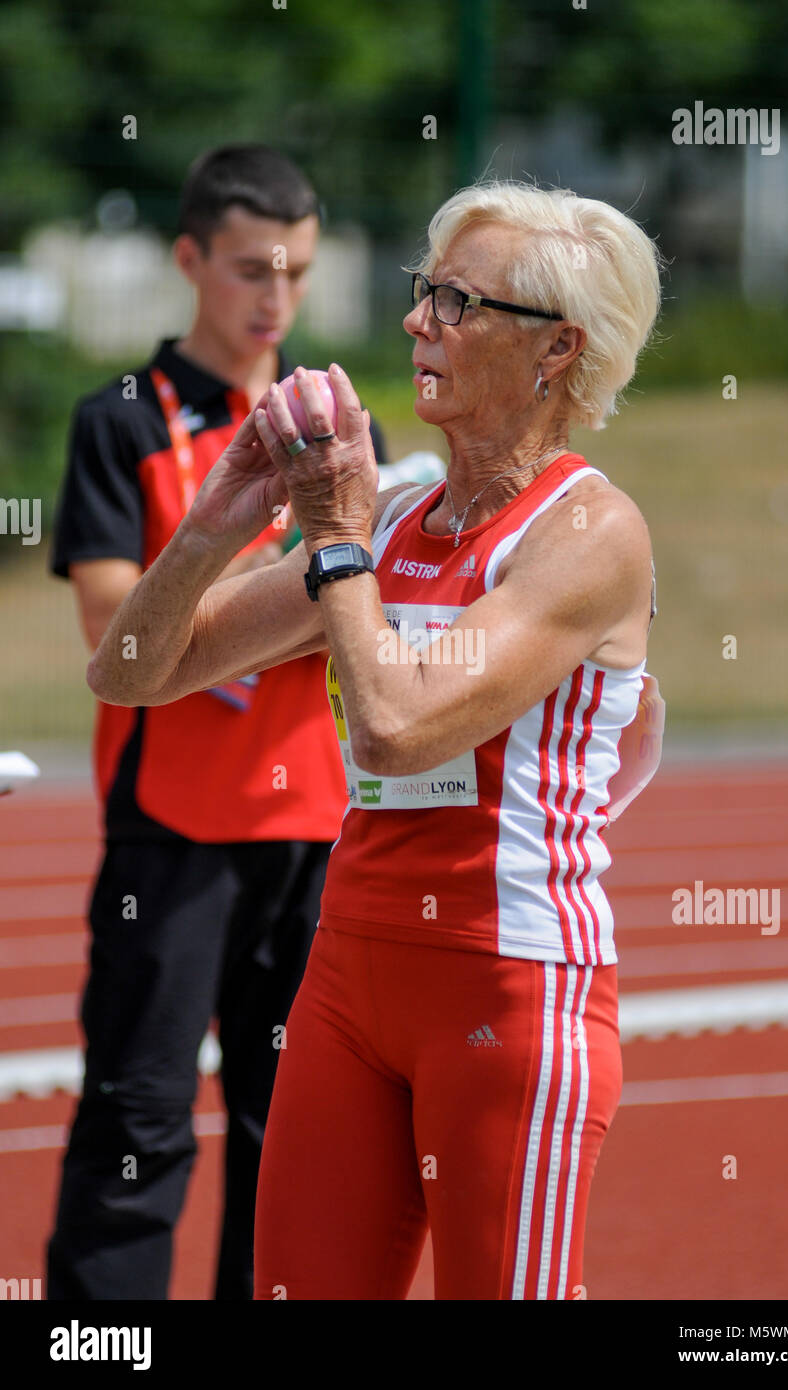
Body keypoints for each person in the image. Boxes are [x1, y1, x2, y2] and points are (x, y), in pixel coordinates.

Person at [85, 179, 663, 1300]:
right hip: (349, 980)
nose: (415, 322)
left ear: (556, 351)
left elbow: (396, 729)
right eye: (421, 290)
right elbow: (130, 672)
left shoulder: (587, 532)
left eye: (456, 300)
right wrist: (216, 523)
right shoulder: (392, 519)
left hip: (509, 989)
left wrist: (337, 537)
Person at [46, 145, 387, 1301]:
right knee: (139, 1118)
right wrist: (280, 596)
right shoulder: (122, 420)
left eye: (293, 271)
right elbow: (119, 632)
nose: (274, 298)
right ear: (189, 260)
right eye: (250, 269)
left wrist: (221, 616)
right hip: (172, 827)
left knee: (285, 1126)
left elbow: (361, 621)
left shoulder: (345, 426)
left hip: (313, 825)